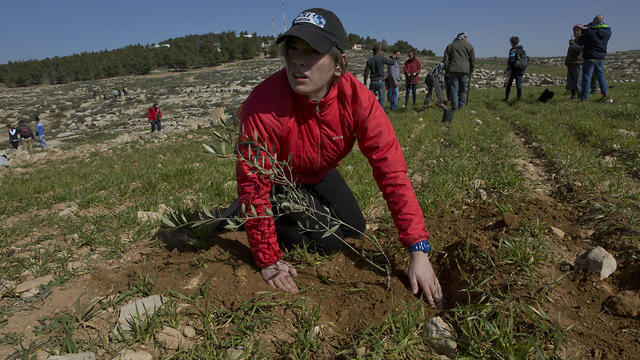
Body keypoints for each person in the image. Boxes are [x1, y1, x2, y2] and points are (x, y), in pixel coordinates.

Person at [236, 8, 443, 307]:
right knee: (330, 241)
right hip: (280, 177)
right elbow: (253, 181)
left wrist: (418, 251)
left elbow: (392, 173)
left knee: (354, 228)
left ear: (339, 64)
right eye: (292, 49)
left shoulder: (359, 101)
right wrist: (268, 259)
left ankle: (274, 211)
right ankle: (249, 217)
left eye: (312, 51)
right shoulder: (263, 104)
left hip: (319, 172)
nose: (297, 60)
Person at [575, 14, 612, 102]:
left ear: (595, 21)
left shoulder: (589, 32)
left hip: (589, 56)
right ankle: (605, 93)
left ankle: (584, 98)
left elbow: (580, 42)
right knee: (600, 74)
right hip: (600, 56)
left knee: (587, 76)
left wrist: (584, 30)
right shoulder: (608, 31)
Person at [443, 33, 475, 110]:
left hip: (453, 70)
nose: (466, 39)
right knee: (463, 89)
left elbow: (446, 60)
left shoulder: (450, 46)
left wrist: (446, 69)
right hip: (465, 70)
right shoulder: (469, 45)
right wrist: (471, 70)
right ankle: (462, 105)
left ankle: (454, 106)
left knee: (454, 88)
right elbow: (472, 60)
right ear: (463, 37)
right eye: (466, 37)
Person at [504, 36, 528, 102]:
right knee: (519, 85)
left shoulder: (512, 50)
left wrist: (507, 68)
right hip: (520, 70)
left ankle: (506, 98)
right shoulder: (522, 50)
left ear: (511, 42)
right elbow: (527, 59)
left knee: (508, 84)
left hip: (512, 70)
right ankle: (518, 99)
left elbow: (510, 60)